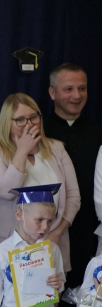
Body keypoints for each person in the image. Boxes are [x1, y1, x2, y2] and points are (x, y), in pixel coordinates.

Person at [0, 93, 79, 273]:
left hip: (53, 241)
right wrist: (22, 151)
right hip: (11, 244)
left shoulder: (57, 148)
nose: (29, 124)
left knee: (51, 290)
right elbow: (6, 192)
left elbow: (73, 197)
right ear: (7, 123)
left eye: (33, 117)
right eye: (20, 120)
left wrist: (56, 233)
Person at [44, 64, 98, 281]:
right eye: (69, 89)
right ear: (52, 93)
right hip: (49, 231)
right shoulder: (40, 132)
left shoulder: (98, 134)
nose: (77, 95)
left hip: (89, 231)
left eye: (82, 88)